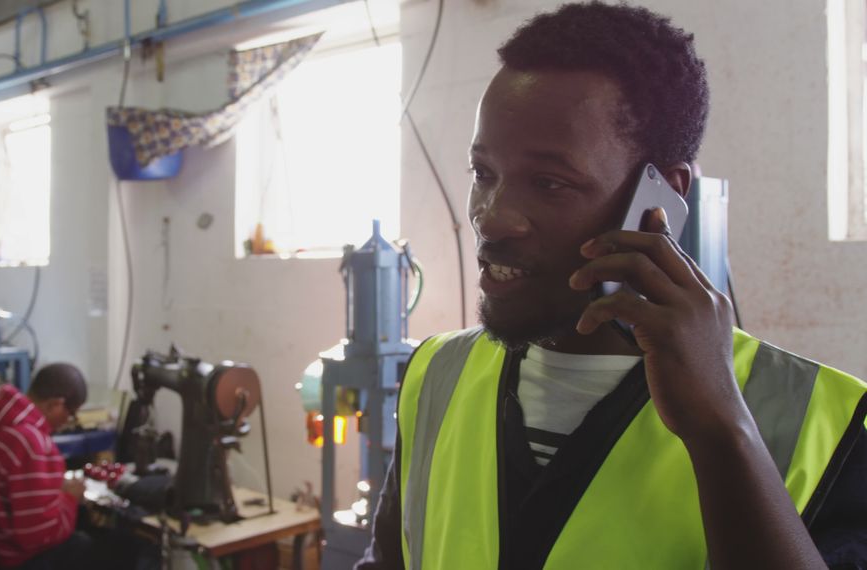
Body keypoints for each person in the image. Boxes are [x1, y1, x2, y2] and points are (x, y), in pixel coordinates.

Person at [358, 3, 867, 569]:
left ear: (659, 200)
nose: (491, 217)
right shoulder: (434, 376)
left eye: (549, 183)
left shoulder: (820, 420)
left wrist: (722, 431)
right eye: (484, 173)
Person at [0, 363, 90, 570]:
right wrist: (69, 498)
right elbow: (37, 536)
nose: (67, 421)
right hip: (13, 560)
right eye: (70, 414)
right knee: (94, 546)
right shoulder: (29, 443)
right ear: (55, 404)